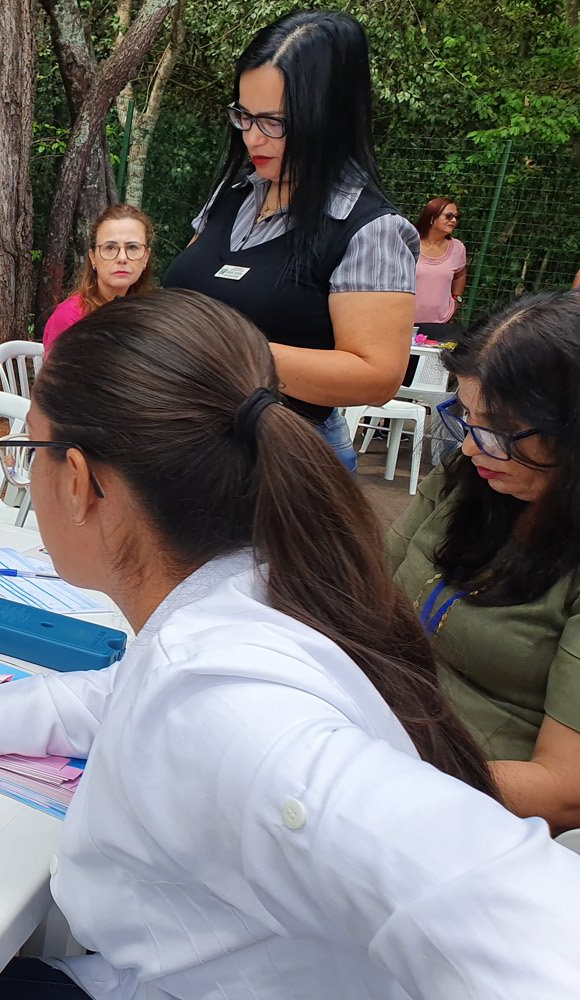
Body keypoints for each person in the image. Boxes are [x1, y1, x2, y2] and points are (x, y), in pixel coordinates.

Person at [0, 290, 580, 998]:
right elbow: (109, 698)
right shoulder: (241, 598)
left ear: (79, 481)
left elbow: (524, 922)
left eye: (26, 451)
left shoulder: (232, 712)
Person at [163, 10, 417, 473]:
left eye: (274, 122)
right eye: (243, 116)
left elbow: (377, 376)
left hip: (285, 462)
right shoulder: (234, 194)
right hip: (193, 444)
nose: (252, 138)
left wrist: (224, 351)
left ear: (329, 119)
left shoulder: (368, 229)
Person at [386, 291, 580, 834]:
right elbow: (372, 591)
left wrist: (386, 780)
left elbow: (564, 790)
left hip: (476, 816)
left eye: (497, 428)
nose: (471, 447)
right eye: (466, 417)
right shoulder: (470, 481)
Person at [41, 205, 153, 353]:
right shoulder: (70, 319)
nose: (122, 258)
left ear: (146, 257)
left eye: (132, 247)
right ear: (93, 257)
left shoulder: (146, 312)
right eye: (110, 247)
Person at [413, 197, 467, 339]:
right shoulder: (409, 243)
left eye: (456, 217)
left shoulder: (458, 248)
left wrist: (456, 299)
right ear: (431, 218)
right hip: (404, 321)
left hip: (440, 324)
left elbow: (460, 274)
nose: (453, 220)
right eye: (448, 216)